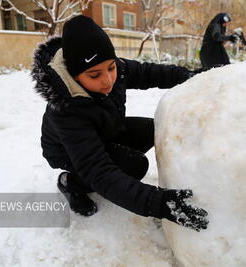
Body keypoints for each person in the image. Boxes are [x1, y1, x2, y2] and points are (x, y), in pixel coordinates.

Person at [31, 15, 209, 232]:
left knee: (157, 128)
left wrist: (194, 77)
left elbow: (150, 73)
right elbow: (99, 171)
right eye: (94, 75)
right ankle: (70, 182)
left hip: (106, 130)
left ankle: (111, 157)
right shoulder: (66, 111)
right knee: (135, 166)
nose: (108, 80)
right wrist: (158, 203)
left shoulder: (114, 69)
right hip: (67, 152)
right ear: (75, 76)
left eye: (111, 67)